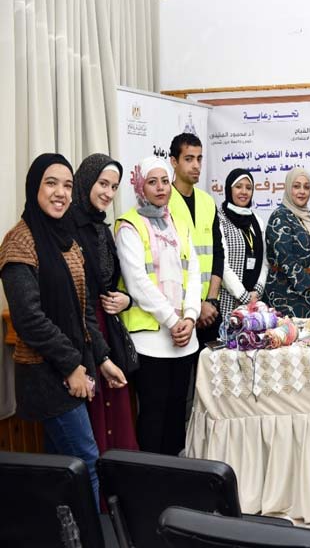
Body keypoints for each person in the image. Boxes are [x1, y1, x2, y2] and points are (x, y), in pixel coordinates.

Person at [0, 154, 127, 507]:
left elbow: (84, 310)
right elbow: (29, 320)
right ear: (34, 188)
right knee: (86, 461)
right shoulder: (18, 243)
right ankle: (91, 538)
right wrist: (73, 366)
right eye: (51, 183)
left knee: (59, 469)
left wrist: (101, 358)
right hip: (46, 376)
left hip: (75, 370)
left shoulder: (67, 242)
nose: (61, 192)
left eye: (67, 185)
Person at [115, 156, 201, 455]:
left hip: (184, 339)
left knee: (179, 412)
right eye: (152, 182)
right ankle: (151, 483)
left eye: (164, 180)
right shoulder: (129, 226)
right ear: (141, 187)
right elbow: (137, 281)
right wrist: (172, 319)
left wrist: (190, 317)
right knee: (153, 413)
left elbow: (193, 272)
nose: (160, 187)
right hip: (151, 340)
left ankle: (175, 481)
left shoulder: (176, 222)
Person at [68, 153, 138, 453]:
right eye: (102, 184)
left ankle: (120, 494)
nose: (108, 193)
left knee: (119, 418)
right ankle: (97, 499)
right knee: (94, 423)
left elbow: (111, 282)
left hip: (107, 327)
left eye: (114, 187)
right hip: (84, 334)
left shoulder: (102, 226)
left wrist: (127, 300)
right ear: (85, 181)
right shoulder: (68, 225)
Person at [167, 133, 224, 347]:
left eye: (199, 159)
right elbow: (167, 265)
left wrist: (210, 301)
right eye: (189, 159)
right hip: (179, 313)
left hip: (210, 310)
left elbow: (218, 253)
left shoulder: (208, 201)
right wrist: (195, 307)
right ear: (174, 162)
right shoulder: (164, 201)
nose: (196, 165)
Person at [265, 167, 310, 318]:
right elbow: (286, 260)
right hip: (286, 297)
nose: (302, 191)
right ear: (288, 188)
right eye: (296, 186)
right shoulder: (279, 217)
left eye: (306, 187)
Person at [216, 168, 268, 323]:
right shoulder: (220, 219)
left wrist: (257, 292)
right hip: (230, 300)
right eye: (238, 186)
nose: (244, 192)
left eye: (248, 187)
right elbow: (222, 264)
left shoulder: (257, 220)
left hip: (254, 302)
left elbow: (265, 261)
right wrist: (244, 296)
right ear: (228, 189)